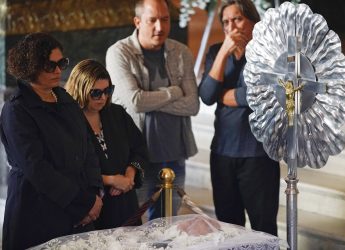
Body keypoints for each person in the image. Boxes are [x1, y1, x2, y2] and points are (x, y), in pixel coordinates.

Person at [0, 33, 103, 250]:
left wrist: (94, 193)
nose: (58, 70)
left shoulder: (65, 98)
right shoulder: (17, 109)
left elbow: (89, 148)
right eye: (50, 65)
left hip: (79, 209)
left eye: (62, 63)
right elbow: (37, 169)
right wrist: (83, 203)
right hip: (37, 213)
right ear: (31, 67)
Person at [106, 0, 199, 220]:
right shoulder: (119, 53)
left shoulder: (181, 52)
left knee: (169, 223)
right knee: (133, 224)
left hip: (174, 154)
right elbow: (135, 101)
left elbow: (193, 105)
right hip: (136, 159)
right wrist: (174, 92)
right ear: (137, 22)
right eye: (152, 20)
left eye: (165, 19)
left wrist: (151, 97)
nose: (160, 27)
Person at [198, 0, 280, 236]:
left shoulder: (269, 52)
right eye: (225, 22)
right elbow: (206, 95)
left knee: (263, 230)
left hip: (258, 154)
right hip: (223, 153)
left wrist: (224, 94)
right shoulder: (216, 51)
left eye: (237, 19)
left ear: (253, 21)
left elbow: (260, 94)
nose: (231, 26)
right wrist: (224, 52)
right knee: (228, 229)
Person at [65, 59, 149, 229]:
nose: (103, 97)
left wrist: (129, 175)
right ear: (80, 89)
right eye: (95, 93)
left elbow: (139, 148)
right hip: (90, 208)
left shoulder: (116, 113)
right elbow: (69, 169)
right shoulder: (68, 121)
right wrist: (112, 180)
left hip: (124, 204)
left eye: (108, 91)